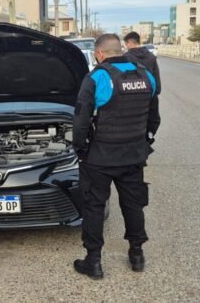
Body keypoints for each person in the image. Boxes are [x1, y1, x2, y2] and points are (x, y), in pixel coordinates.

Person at [72, 34, 160, 279]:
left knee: (94, 206)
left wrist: (80, 149)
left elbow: (81, 121)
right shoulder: (146, 75)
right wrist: (144, 142)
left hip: (100, 157)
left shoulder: (97, 77)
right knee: (133, 204)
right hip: (133, 155)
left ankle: (93, 261)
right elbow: (154, 117)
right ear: (119, 50)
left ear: (99, 54)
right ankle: (137, 255)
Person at [123, 32, 161, 96]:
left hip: (132, 97)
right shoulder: (151, 56)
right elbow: (156, 80)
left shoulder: (125, 58)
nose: (126, 46)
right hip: (150, 95)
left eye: (126, 44)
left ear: (130, 43)